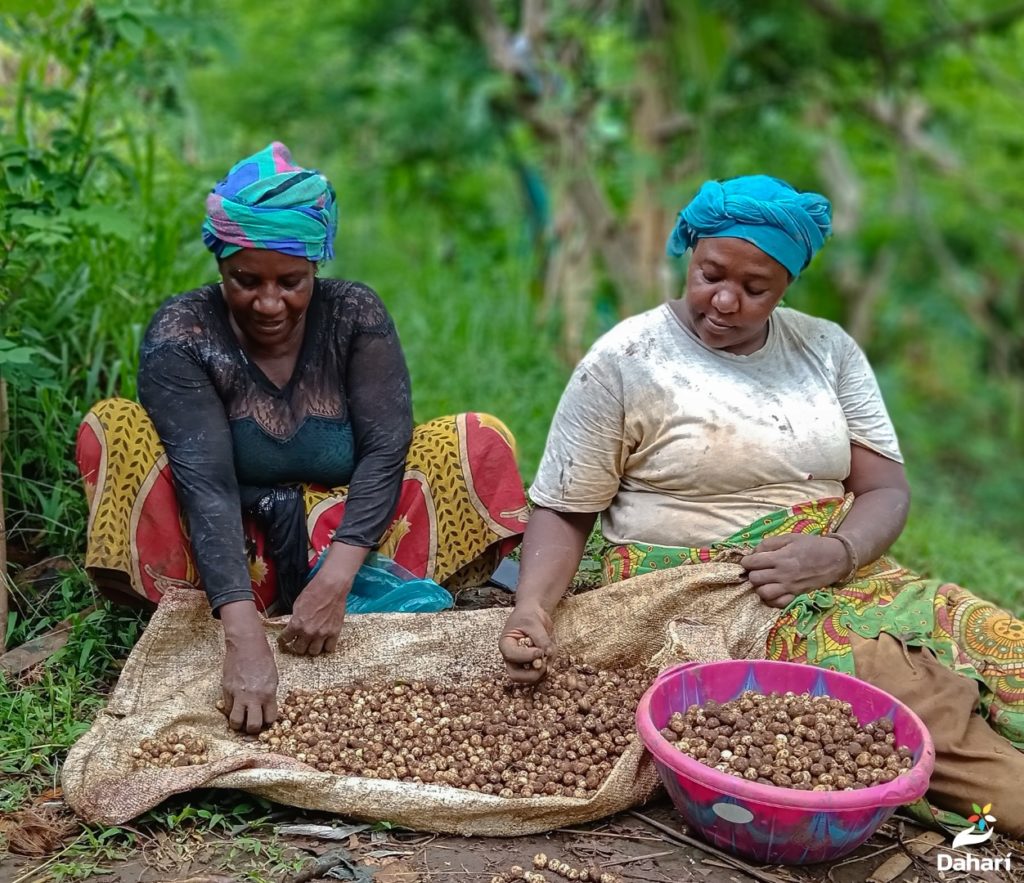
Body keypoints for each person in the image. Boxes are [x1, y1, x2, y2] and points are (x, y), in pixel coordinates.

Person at [497, 175, 1024, 835]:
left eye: (755, 288)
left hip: (843, 569)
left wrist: (836, 554)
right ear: (689, 254)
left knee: (997, 643)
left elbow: (886, 488)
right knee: (910, 697)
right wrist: (532, 605)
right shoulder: (626, 361)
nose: (725, 300)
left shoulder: (826, 350)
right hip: (713, 597)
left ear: (786, 285)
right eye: (710, 274)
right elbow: (566, 508)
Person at [77, 142, 528, 733]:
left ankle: (362, 604)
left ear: (316, 265)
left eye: (290, 281)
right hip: (231, 546)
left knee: (476, 439)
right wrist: (241, 637)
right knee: (113, 431)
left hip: (355, 540)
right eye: (244, 281)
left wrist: (336, 577)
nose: (268, 303)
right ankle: (218, 622)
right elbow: (205, 483)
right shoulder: (184, 331)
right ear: (220, 267)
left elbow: (387, 450)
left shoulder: (353, 314)